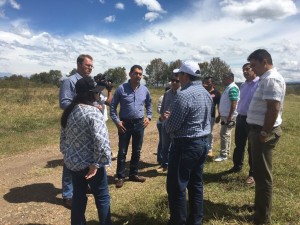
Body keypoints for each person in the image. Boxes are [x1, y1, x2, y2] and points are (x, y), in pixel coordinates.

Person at [163, 61, 212, 225]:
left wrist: (166, 119)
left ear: (185, 76)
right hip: (202, 143)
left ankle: (178, 221)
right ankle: (196, 220)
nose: (177, 78)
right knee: (196, 184)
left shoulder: (183, 95)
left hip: (185, 146)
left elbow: (170, 127)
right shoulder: (206, 93)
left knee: (177, 187)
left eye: (179, 75)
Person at [60, 76, 112, 225]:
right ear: (90, 94)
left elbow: (63, 138)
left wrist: (66, 154)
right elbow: (102, 142)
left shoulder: (69, 111)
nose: (98, 95)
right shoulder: (93, 113)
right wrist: (96, 164)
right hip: (91, 166)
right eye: (96, 92)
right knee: (102, 196)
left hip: (74, 164)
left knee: (78, 196)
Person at [246, 49, 285, 225]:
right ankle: (260, 208)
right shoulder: (266, 79)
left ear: (264, 61)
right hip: (258, 130)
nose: (252, 69)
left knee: (263, 178)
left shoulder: (271, 79)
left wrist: (264, 133)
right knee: (260, 174)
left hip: (263, 133)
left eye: (254, 65)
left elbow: (273, 109)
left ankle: (262, 219)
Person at [59, 54, 94, 208]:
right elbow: (64, 102)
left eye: (92, 66)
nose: (90, 68)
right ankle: (67, 194)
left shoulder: (89, 82)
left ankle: (83, 185)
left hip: (86, 123)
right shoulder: (69, 81)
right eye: (88, 65)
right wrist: (82, 108)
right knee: (70, 156)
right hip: (74, 123)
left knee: (85, 155)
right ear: (79, 64)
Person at [110, 65, 152, 188]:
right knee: (122, 151)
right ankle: (120, 176)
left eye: (140, 74)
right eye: (136, 73)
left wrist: (148, 117)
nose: (138, 76)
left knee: (137, 150)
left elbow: (149, 104)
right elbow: (112, 107)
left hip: (139, 123)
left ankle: (133, 174)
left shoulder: (144, 90)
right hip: (124, 124)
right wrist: (117, 121)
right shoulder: (121, 89)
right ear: (130, 74)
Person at [227, 63, 259, 185]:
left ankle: (252, 174)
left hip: (252, 120)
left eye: (247, 69)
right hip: (241, 118)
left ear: (253, 69)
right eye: (243, 70)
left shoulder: (259, 83)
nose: (245, 72)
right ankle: (237, 166)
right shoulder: (243, 85)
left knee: (252, 148)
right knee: (239, 145)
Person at [157, 70, 181, 172]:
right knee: (164, 146)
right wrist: (162, 116)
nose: (174, 82)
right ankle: (164, 164)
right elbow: (162, 107)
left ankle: (174, 165)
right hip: (165, 124)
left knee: (175, 146)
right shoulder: (167, 93)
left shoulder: (183, 93)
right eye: (172, 80)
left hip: (177, 125)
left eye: (177, 81)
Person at [214, 72, 240, 162]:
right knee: (226, 134)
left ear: (230, 78)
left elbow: (234, 102)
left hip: (228, 116)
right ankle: (225, 153)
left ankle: (223, 155)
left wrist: (230, 116)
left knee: (225, 134)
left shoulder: (232, 88)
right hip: (225, 116)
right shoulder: (228, 88)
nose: (222, 80)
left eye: (224, 78)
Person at [203, 76, 221, 158]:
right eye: (205, 82)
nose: (206, 84)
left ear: (212, 83)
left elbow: (219, 106)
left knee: (209, 132)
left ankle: (209, 150)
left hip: (211, 116)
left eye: (208, 82)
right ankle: (203, 148)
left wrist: (219, 116)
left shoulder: (216, 93)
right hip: (201, 115)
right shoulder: (202, 91)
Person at [156, 86, 171, 165]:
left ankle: (166, 160)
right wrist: (165, 113)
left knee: (167, 143)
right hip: (161, 123)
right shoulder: (162, 97)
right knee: (162, 142)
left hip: (169, 123)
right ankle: (160, 159)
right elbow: (159, 109)